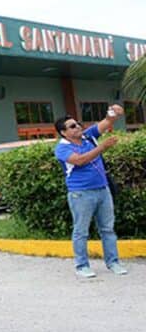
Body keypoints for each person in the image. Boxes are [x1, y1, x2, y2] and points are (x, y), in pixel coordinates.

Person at [53, 107, 129, 278]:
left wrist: (113, 112)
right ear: (64, 133)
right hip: (80, 193)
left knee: (108, 229)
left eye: (78, 124)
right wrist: (102, 147)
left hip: (102, 190)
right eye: (72, 126)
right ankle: (82, 266)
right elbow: (80, 161)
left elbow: (107, 122)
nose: (78, 127)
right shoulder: (62, 148)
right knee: (81, 231)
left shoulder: (88, 136)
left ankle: (113, 262)